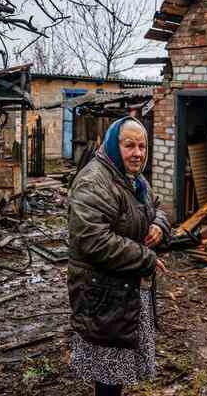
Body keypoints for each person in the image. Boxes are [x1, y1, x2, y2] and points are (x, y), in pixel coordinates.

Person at [67, 116, 171, 396]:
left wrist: (159, 225)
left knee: (117, 368)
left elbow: (156, 207)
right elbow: (93, 240)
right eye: (129, 145)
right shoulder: (94, 181)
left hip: (124, 292)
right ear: (114, 145)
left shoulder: (134, 180)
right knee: (108, 370)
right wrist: (145, 258)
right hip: (103, 294)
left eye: (142, 147)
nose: (137, 153)